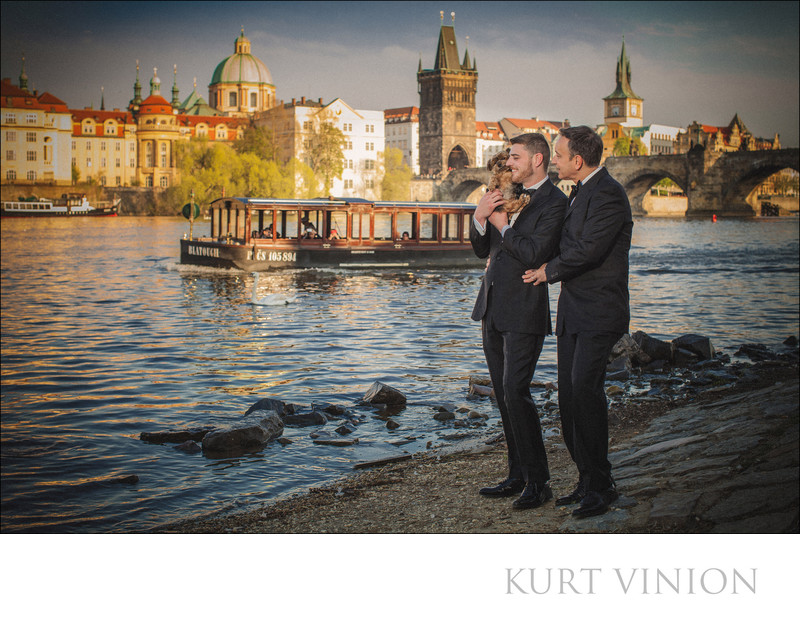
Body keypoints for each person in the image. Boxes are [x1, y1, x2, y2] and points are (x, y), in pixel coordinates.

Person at [524, 125, 633, 518]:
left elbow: (588, 250)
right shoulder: (579, 193)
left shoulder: (609, 195)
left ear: (578, 160)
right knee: (568, 398)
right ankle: (586, 478)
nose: (553, 159)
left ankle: (602, 486)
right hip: (573, 311)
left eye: (558, 153)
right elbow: (564, 243)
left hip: (600, 312)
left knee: (585, 392)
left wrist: (546, 272)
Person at [471, 133, 567, 510]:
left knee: (516, 391)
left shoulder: (554, 203)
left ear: (537, 159)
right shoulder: (506, 192)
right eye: (509, 156)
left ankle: (539, 481)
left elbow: (533, 252)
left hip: (525, 307)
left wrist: (501, 224)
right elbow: (483, 250)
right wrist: (480, 218)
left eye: (515, 156)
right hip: (492, 305)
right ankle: (516, 474)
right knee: (502, 394)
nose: (508, 162)